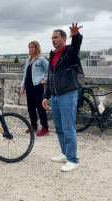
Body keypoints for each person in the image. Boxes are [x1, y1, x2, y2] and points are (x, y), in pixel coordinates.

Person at [42, 23, 83, 172]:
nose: (53, 40)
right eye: (52, 37)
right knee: (59, 128)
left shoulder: (68, 53)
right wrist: (46, 95)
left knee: (68, 128)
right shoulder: (53, 54)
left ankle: (73, 159)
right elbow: (50, 76)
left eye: (56, 37)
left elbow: (76, 48)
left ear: (64, 38)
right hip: (55, 96)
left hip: (67, 94)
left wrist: (76, 36)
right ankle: (65, 153)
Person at [20, 41, 49, 136]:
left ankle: (45, 127)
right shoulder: (28, 61)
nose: (30, 49)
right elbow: (25, 75)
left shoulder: (41, 59)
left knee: (40, 107)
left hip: (37, 85)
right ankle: (33, 125)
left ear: (37, 48)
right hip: (28, 85)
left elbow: (50, 70)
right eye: (29, 47)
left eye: (32, 47)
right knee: (31, 107)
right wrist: (22, 86)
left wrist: (44, 79)